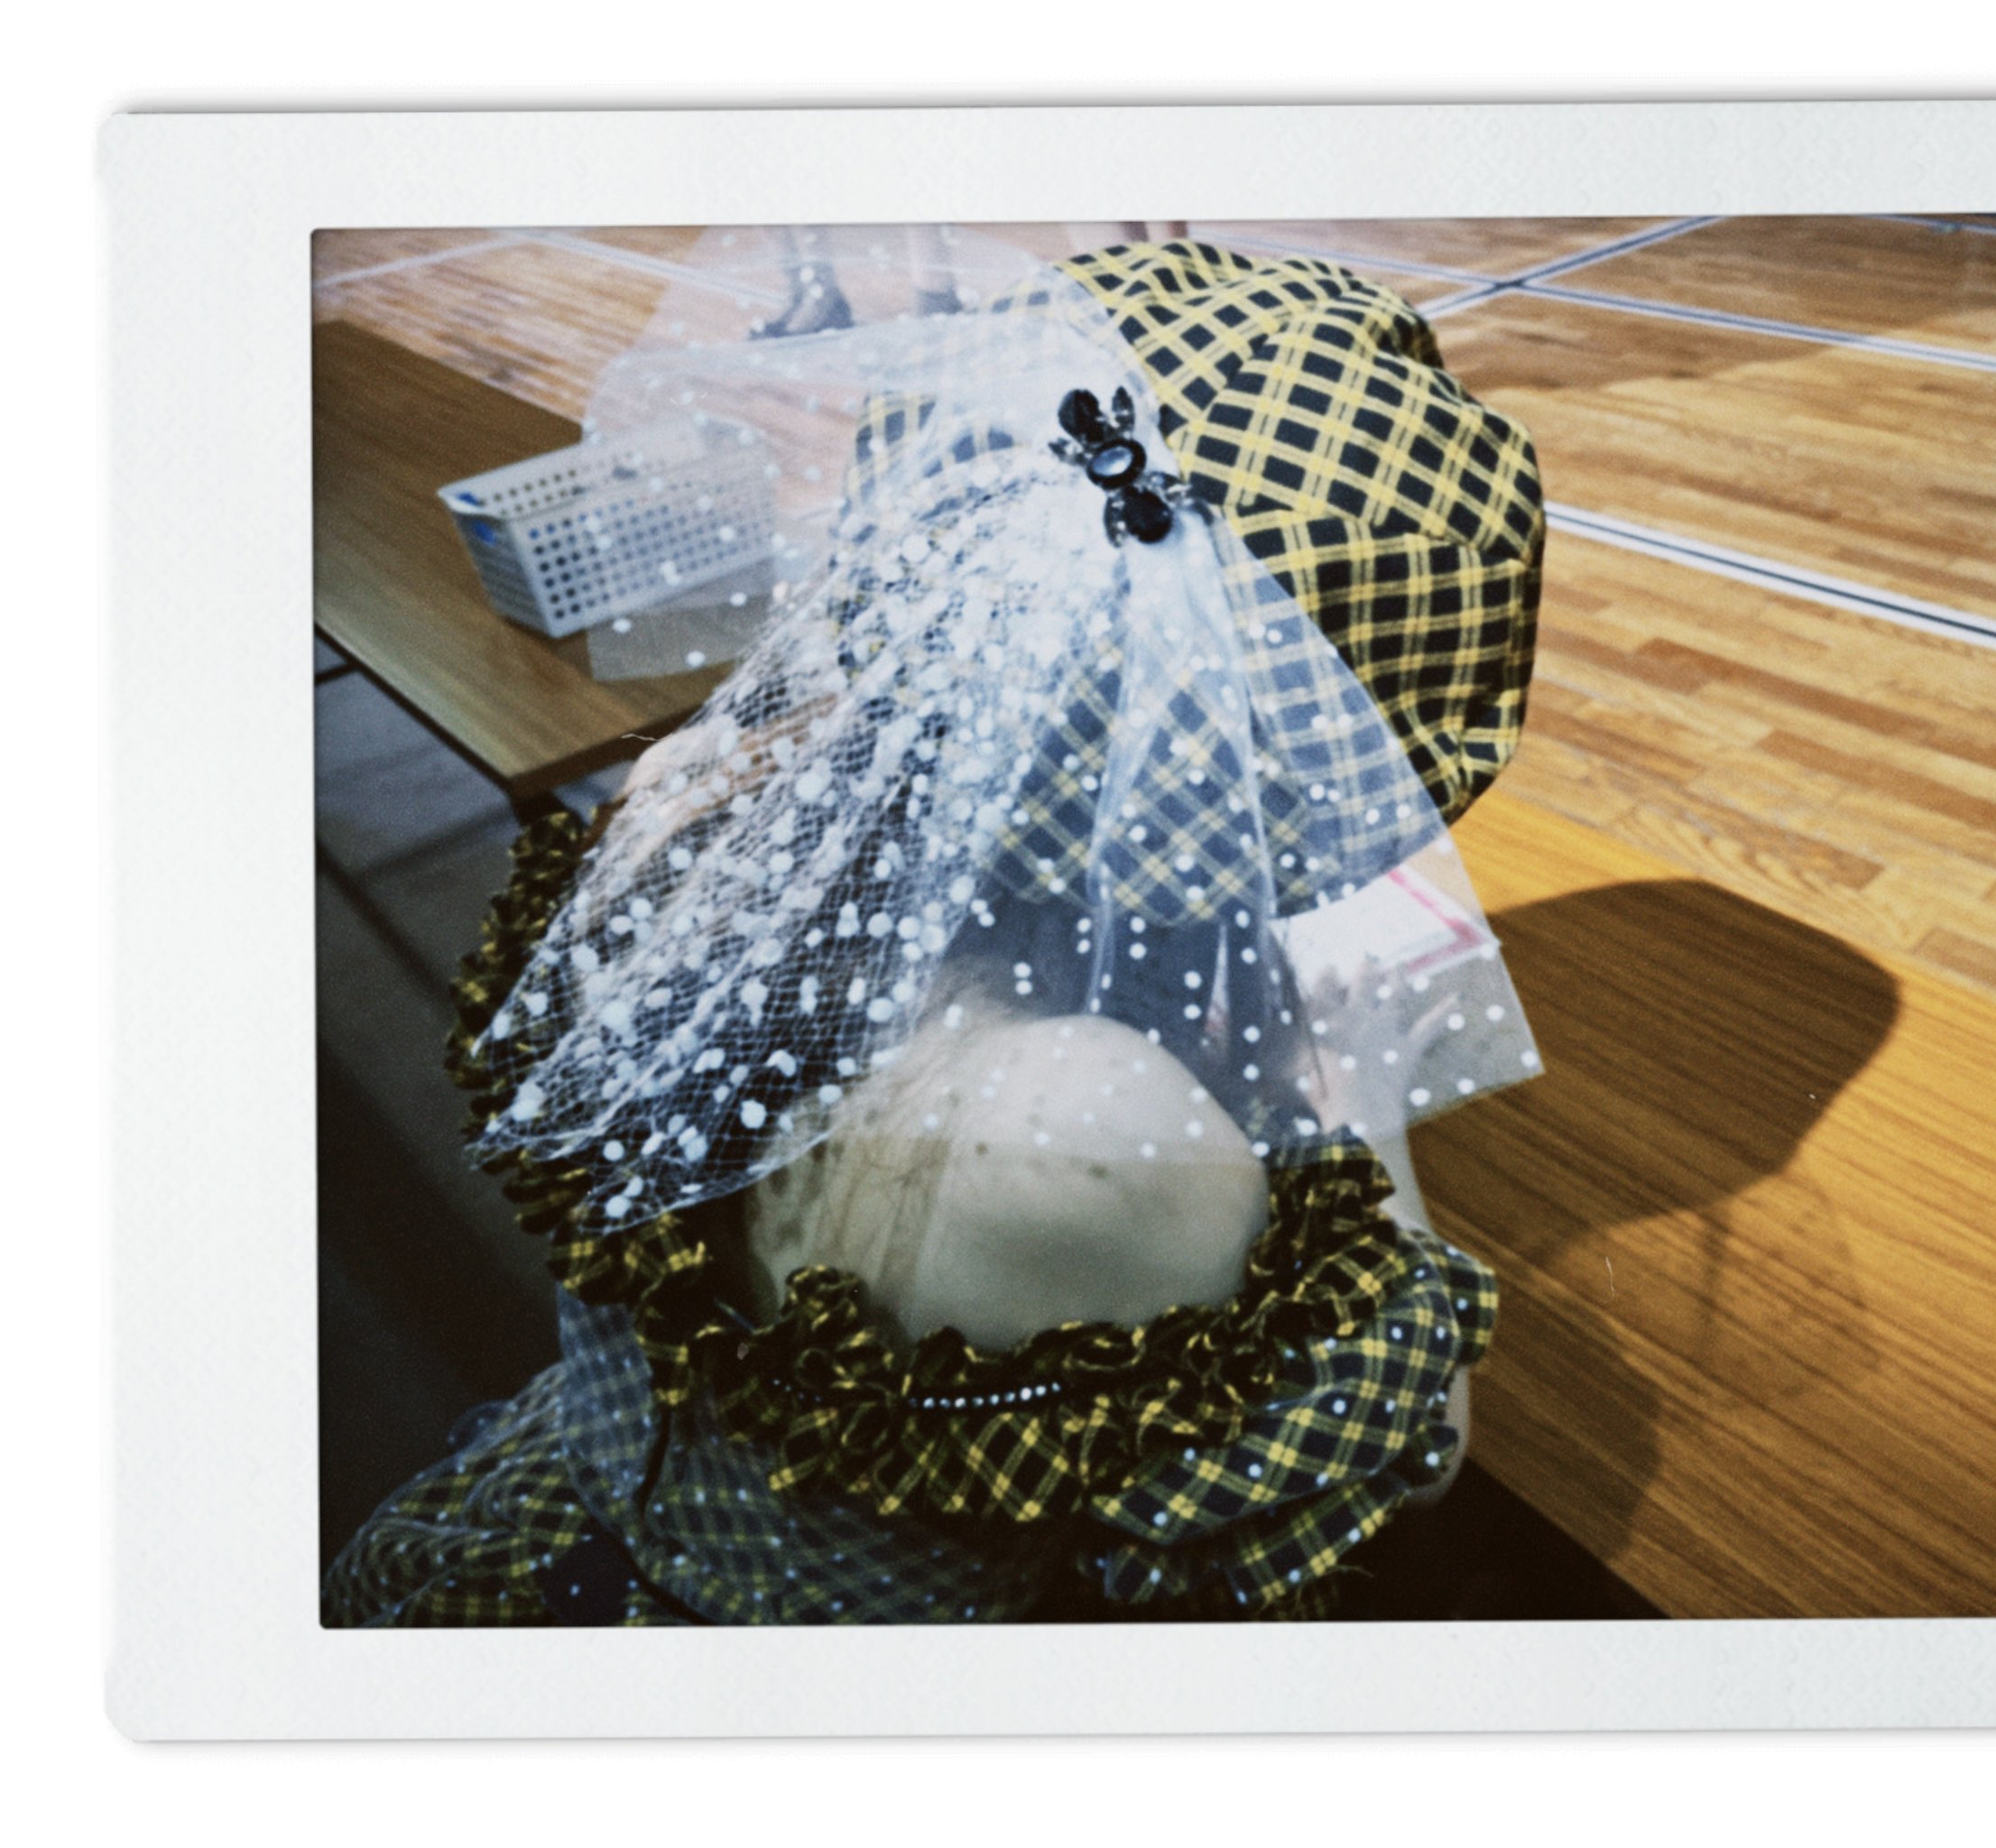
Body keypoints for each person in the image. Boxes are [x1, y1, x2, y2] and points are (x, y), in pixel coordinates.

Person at [323, 234, 1547, 1625]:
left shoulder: (690, 800)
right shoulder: (1092, 1119)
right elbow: (1410, 1455)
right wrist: (1367, 1092)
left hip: (547, 1527)